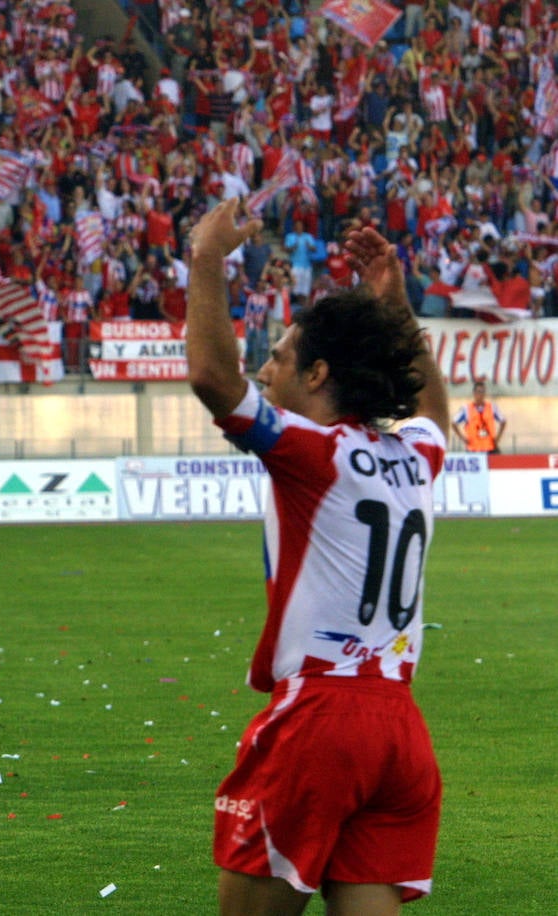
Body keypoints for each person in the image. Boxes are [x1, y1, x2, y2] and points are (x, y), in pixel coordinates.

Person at [185, 199, 450, 915]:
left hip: (321, 720)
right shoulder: (415, 454)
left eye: (277, 358)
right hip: (399, 728)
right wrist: (395, 311)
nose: (264, 371)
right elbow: (436, 414)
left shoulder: (312, 454)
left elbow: (213, 379)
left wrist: (205, 257)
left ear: (318, 375)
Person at [452, 380, 506, 454]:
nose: (481, 394)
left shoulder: (492, 407)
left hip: (489, 448)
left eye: (483, 392)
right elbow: (454, 422)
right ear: (474, 393)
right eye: (479, 392)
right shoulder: (466, 408)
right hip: (473, 449)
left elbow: (503, 421)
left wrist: (498, 438)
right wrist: (463, 438)